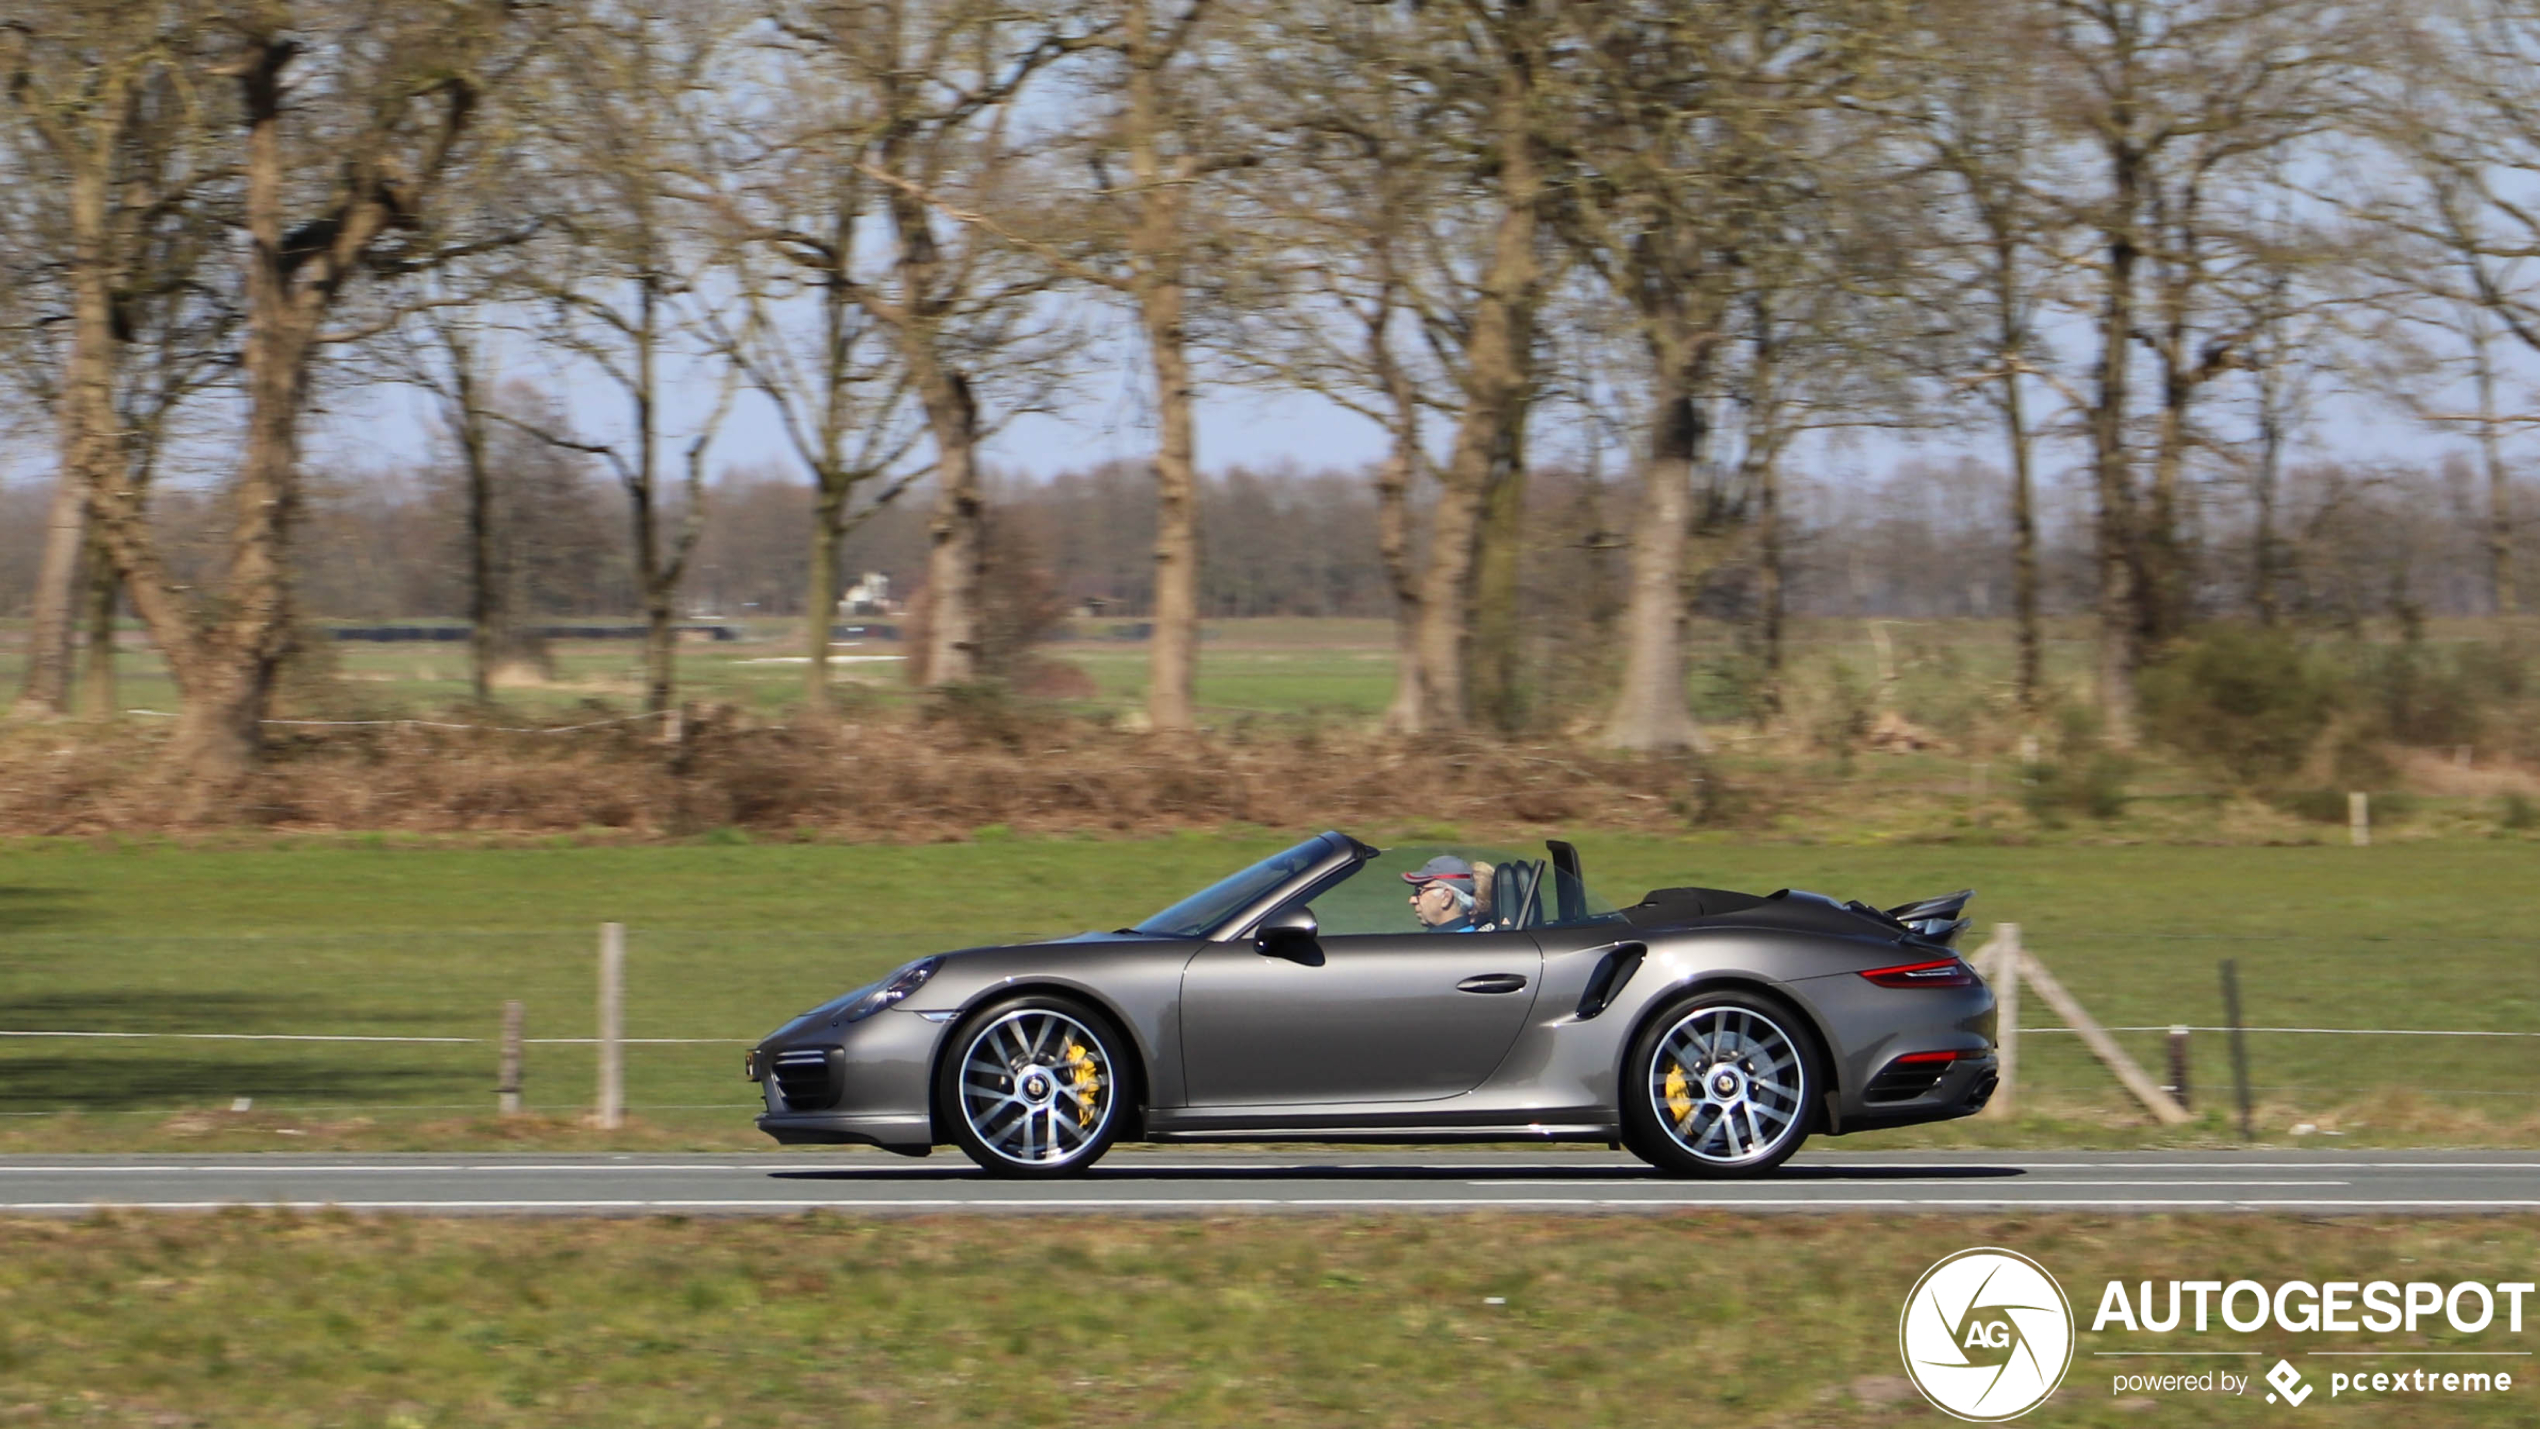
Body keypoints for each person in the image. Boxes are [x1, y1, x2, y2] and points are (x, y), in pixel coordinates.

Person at [1403, 854, 1495, 933]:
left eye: (1420, 891)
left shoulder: (1436, 947)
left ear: (1446, 897)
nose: (1412, 900)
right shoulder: (1481, 940)